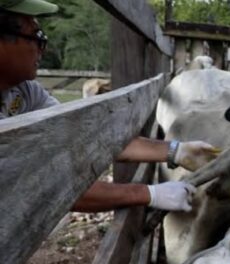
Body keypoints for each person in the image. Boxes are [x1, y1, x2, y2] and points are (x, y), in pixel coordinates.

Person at [0, 0, 217, 212]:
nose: (42, 48)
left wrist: (175, 151)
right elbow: (42, 189)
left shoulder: (26, 91)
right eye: (36, 36)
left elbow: (82, 134)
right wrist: (148, 194)